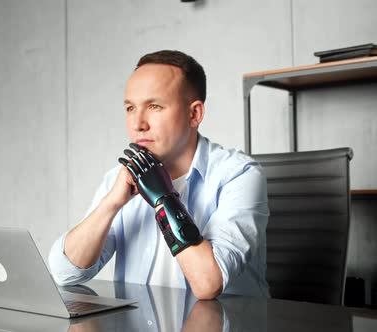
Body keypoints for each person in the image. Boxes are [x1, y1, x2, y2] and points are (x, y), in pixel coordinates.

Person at [48, 50, 269, 299]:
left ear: (194, 114)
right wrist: (111, 203)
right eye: (130, 108)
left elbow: (208, 284)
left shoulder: (239, 175)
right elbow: (65, 274)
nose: (138, 124)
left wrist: (163, 197)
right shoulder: (119, 180)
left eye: (154, 106)